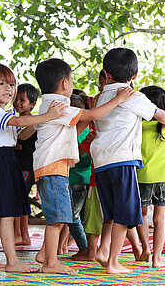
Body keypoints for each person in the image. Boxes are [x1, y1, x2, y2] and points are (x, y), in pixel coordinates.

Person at [32, 58, 135, 274]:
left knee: (58, 216)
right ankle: (50, 262)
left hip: (51, 168)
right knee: (56, 219)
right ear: (64, 84)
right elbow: (93, 115)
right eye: (70, 80)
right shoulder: (60, 106)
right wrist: (118, 99)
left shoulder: (48, 104)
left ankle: (45, 255)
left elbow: (73, 131)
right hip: (54, 170)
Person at [0, 63, 66, 273]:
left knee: (2, 214)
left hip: (6, 160)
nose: (9, 88)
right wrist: (48, 116)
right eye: (2, 83)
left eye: (12, 84)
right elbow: (16, 120)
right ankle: (12, 262)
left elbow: (21, 134)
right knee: (6, 214)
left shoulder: (2, 112)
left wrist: (39, 120)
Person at [90, 48, 165, 274]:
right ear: (135, 75)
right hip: (122, 159)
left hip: (100, 161)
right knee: (125, 214)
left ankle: (103, 250)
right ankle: (113, 262)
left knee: (112, 212)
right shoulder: (133, 96)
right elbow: (159, 115)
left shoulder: (98, 98)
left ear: (105, 74)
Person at [137, 85, 165, 268]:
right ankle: (157, 259)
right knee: (160, 220)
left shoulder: (139, 126)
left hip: (141, 177)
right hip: (163, 178)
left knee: (141, 216)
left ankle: (145, 248)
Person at [57, 94, 90, 257]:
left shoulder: (72, 134)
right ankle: (85, 247)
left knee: (71, 217)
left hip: (74, 180)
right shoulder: (88, 132)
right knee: (81, 217)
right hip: (85, 180)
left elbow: (73, 158)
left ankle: (85, 249)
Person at [13, 83, 41, 246]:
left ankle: (21, 234)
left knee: (19, 199)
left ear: (32, 104)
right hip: (18, 166)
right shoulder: (15, 121)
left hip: (27, 167)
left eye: (22, 100)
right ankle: (22, 235)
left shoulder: (33, 122)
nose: (17, 103)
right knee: (19, 199)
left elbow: (22, 138)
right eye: (16, 99)